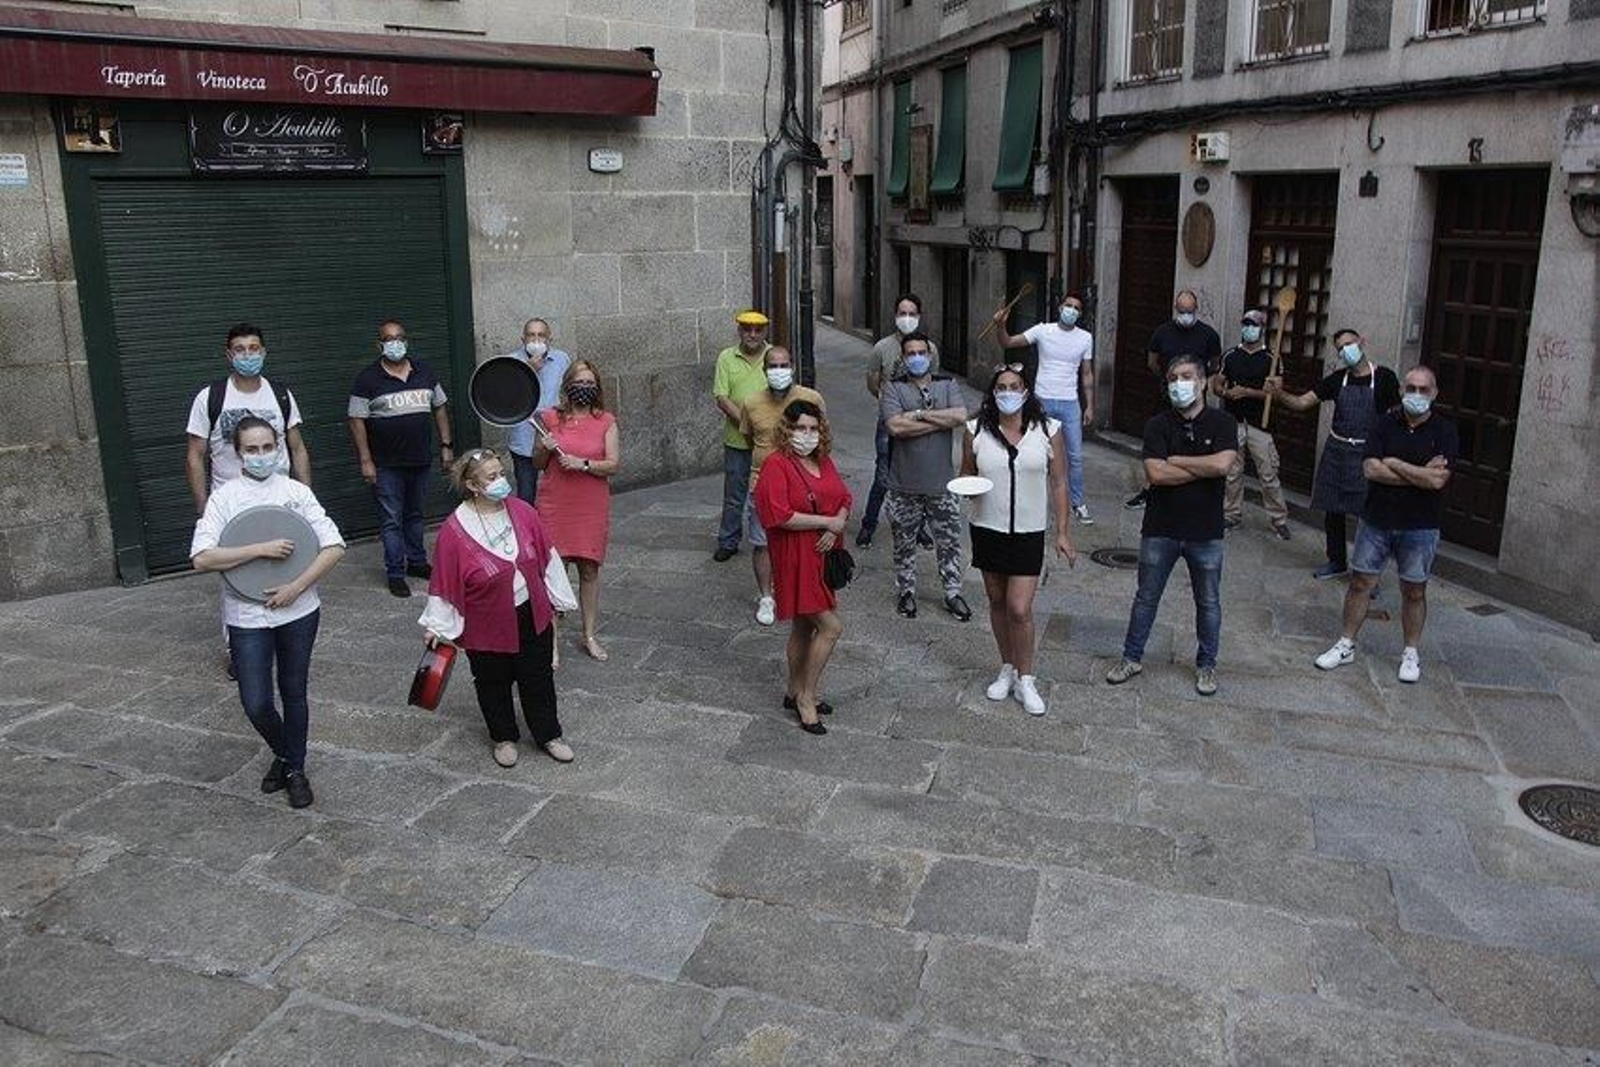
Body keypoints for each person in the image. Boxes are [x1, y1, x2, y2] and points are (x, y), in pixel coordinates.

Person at [190, 417, 346, 809]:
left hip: (300, 611)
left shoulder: (296, 492)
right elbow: (202, 557)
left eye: (266, 448)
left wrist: (297, 586)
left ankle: (295, 769)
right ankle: (285, 752)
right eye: (251, 449)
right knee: (255, 701)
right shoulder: (224, 499)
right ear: (238, 453)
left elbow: (333, 546)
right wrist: (259, 549)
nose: (260, 456)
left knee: (294, 691)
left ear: (278, 447)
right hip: (246, 616)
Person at [419, 448, 572, 767]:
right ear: (473, 486)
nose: (502, 481)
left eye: (502, 473)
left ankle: (548, 734)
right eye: (492, 477)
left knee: (538, 677)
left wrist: (558, 599)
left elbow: (547, 557)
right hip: (485, 622)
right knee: (492, 681)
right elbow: (445, 581)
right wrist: (439, 625)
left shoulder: (523, 511)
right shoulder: (454, 530)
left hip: (531, 612)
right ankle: (503, 737)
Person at [1105, 355, 1238, 696]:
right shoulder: (1157, 425)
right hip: (1160, 527)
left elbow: (1223, 465)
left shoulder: (1223, 423)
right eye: (1173, 378)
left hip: (1205, 531)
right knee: (1146, 597)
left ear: (1204, 381)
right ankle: (1131, 657)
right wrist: (1199, 467)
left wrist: (1177, 461)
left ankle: (1206, 665)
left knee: (1208, 601)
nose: (1180, 383)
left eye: (1187, 376)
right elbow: (1155, 474)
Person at [185, 322, 311, 678]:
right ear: (229, 355)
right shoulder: (211, 397)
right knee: (236, 576)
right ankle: (238, 647)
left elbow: (297, 446)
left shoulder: (281, 394)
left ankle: (283, 632)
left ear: (264, 352)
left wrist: (306, 494)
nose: (247, 356)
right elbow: (195, 455)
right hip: (233, 502)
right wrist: (203, 505)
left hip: (279, 498)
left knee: (286, 563)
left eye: (254, 348)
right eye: (239, 349)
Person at [1315, 367, 1457, 683]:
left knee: (1414, 591)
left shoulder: (1444, 431)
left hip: (1420, 525)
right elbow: (1370, 469)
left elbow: (1436, 481)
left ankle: (1410, 652)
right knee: (1360, 583)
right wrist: (1416, 472)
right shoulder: (1384, 424)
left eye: (1423, 389)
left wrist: (1393, 463)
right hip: (1376, 520)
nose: (1416, 395)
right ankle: (1346, 643)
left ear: (1434, 394)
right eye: (1411, 388)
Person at [960, 365, 1078, 716]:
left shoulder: (1048, 430)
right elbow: (965, 473)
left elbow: (1059, 483)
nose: (1008, 392)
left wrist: (1063, 532)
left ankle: (1027, 678)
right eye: (1001, 387)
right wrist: (967, 486)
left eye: (1015, 386)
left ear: (1026, 392)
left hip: (1028, 532)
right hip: (987, 527)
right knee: (996, 601)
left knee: (1019, 607)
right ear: (992, 393)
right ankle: (1007, 668)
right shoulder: (975, 430)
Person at [1266, 328, 1401, 579]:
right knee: (1333, 510)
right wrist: (1279, 394)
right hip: (1337, 450)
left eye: (1349, 344)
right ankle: (1336, 561)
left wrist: (1390, 452)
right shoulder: (1337, 379)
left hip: (1368, 453)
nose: (1345, 351)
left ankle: (1369, 572)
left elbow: (1397, 416)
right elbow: (1302, 403)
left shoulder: (1384, 378)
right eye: (1340, 348)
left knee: (1368, 516)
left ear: (1362, 342)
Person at [753, 400, 852, 734]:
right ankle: (807, 698)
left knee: (803, 626)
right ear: (788, 429)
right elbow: (777, 514)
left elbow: (844, 498)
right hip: (795, 556)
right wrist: (826, 521)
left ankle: (794, 689)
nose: (807, 435)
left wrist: (835, 522)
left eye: (813, 428)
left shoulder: (823, 460)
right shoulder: (776, 465)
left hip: (822, 555)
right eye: (800, 428)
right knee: (830, 627)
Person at [348, 318, 454, 597]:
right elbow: (356, 420)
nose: (395, 343)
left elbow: (440, 409)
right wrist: (365, 460)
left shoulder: (425, 371)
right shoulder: (367, 379)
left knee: (416, 515)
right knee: (391, 520)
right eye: (388, 339)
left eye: (399, 338)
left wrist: (446, 446)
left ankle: (417, 562)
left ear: (406, 341)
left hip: (420, 460)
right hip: (386, 465)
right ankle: (395, 572)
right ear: (379, 344)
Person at [532, 361, 620, 662]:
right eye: (579, 382)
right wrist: (544, 448)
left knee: (589, 569)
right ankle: (551, 642)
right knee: (553, 572)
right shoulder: (549, 418)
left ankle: (590, 634)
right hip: (555, 504)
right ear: (568, 384)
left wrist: (583, 464)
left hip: (590, 504)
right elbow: (538, 463)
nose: (584, 388)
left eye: (590, 383)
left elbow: (613, 464)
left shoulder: (606, 420)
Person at [880, 332, 971, 621]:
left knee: (949, 542)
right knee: (903, 542)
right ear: (904, 358)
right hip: (902, 484)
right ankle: (906, 591)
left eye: (922, 352)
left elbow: (959, 416)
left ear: (930, 356)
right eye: (911, 353)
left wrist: (916, 416)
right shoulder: (893, 388)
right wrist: (936, 419)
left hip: (941, 485)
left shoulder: (948, 384)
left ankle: (953, 593)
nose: (917, 357)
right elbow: (895, 427)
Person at [991, 292, 1096, 526]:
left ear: (1080, 314)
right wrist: (1001, 325)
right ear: (1059, 307)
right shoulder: (1042, 330)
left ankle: (1078, 503)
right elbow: (1007, 342)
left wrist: (1089, 405)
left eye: (1077, 308)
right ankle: (1037, 501)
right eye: (1068, 305)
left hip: (1070, 403)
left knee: (1075, 457)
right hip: (1042, 401)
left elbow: (1087, 374)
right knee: (1037, 453)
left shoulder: (1085, 338)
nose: (1072, 310)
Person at [739, 346, 826, 626]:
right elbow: (749, 440)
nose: (779, 371)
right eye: (773, 366)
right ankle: (766, 596)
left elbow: (822, 437)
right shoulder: (751, 403)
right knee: (762, 542)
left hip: (802, 485)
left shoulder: (811, 398)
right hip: (761, 484)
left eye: (784, 365)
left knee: (800, 542)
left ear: (793, 367)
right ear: (764, 371)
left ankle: (798, 589)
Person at [859, 294, 942, 548]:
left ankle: (918, 529)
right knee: (883, 474)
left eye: (912, 313)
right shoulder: (882, 348)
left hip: (918, 421)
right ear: (895, 316)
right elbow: (873, 382)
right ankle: (868, 525)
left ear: (919, 316)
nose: (907, 318)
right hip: (889, 420)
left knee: (917, 475)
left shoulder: (930, 349)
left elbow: (933, 382)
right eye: (902, 313)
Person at [1126, 290, 1222, 510]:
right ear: (1176, 309)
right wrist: (1169, 381)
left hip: (1195, 400)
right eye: (1182, 311)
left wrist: (1196, 384)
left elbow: (1214, 364)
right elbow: (1152, 361)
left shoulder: (1208, 335)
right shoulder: (1163, 332)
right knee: (1160, 440)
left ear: (1196, 310)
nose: (1185, 315)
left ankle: (1193, 485)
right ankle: (1150, 488)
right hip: (1167, 396)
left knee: (1195, 440)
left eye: (1189, 311)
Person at [1213, 309, 1291, 539]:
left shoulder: (1272, 359)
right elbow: (1217, 384)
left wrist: (1249, 392)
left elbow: (1277, 394)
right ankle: (1231, 514)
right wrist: (1227, 393)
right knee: (1232, 473)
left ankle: (1279, 519)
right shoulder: (1231, 356)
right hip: (1233, 422)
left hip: (1260, 424)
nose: (1249, 328)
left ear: (1262, 328)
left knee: (1268, 474)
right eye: (1246, 323)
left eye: (1253, 324)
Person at [712, 310, 773, 562]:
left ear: (765, 332)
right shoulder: (727, 357)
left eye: (758, 330)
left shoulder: (774, 356)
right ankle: (728, 539)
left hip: (768, 441)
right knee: (735, 494)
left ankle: (771, 538)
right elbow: (722, 398)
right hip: (737, 439)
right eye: (747, 329)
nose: (752, 334)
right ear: (739, 330)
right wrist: (748, 423)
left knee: (768, 491)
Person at [504, 317, 571, 505]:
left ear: (549, 339)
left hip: (555, 435)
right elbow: (506, 398)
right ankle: (529, 531)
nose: (536, 340)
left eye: (541, 335)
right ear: (523, 339)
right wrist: (527, 371)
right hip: (523, 438)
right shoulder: (511, 362)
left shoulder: (562, 359)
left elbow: (568, 392)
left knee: (559, 491)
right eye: (531, 335)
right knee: (526, 494)